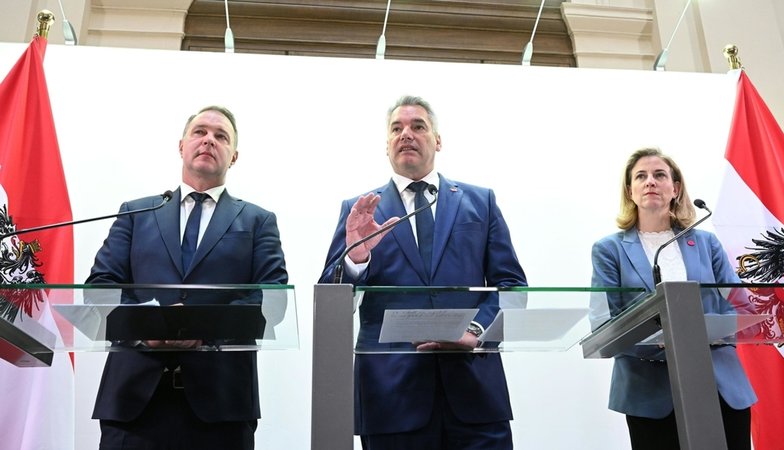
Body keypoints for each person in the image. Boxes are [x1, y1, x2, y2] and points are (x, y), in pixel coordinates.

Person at [319, 95, 527, 449]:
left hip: (475, 393)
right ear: (386, 145)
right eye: (396, 129)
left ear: (438, 140)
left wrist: (476, 331)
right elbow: (330, 300)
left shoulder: (481, 202)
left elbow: (512, 286)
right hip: (390, 395)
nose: (406, 134)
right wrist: (356, 258)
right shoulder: (360, 210)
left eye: (418, 126)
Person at [86, 105, 288, 450]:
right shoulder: (136, 213)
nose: (209, 140)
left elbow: (273, 297)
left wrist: (201, 328)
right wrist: (148, 329)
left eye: (221, 136)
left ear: (234, 156)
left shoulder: (258, 221)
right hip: (133, 403)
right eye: (200, 132)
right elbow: (99, 287)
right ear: (181, 146)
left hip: (221, 408)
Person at [590, 147, 756, 450]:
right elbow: (604, 324)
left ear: (675, 188)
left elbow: (740, 306)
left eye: (659, 175)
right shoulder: (609, 250)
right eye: (641, 176)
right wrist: (658, 340)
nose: (650, 181)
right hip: (649, 393)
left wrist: (705, 334)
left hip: (719, 384)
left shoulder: (706, 243)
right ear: (630, 191)